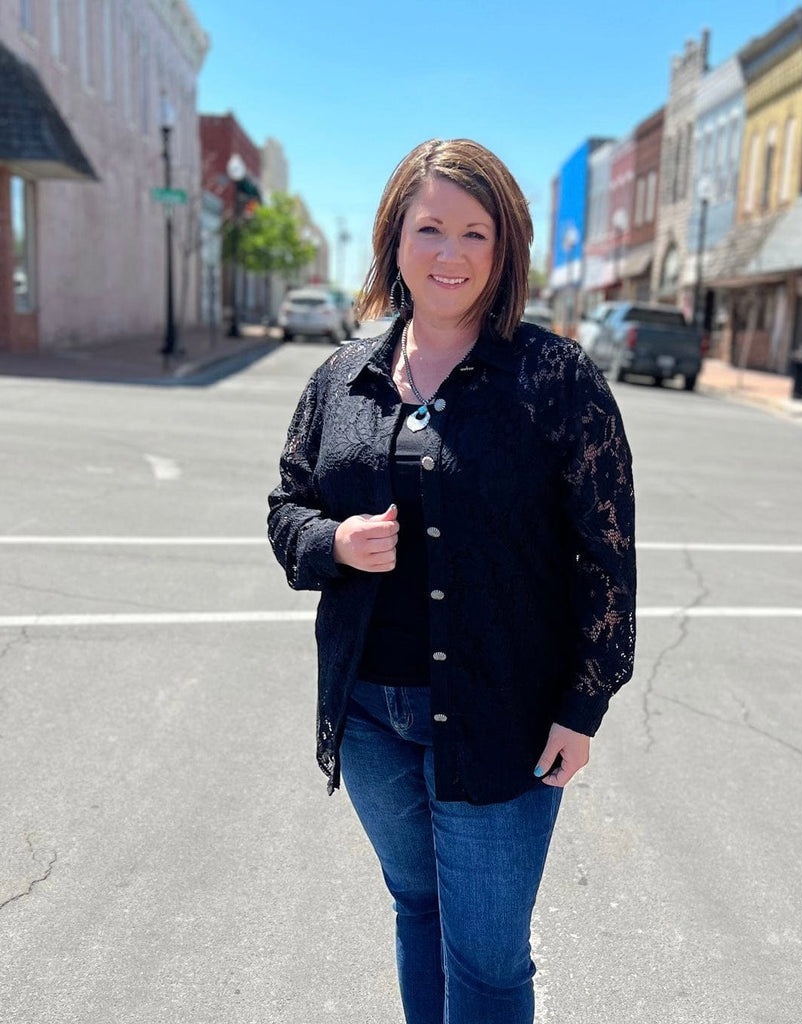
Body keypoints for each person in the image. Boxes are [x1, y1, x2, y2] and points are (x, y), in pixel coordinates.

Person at [268, 138, 636, 1024]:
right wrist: (331, 542)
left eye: (476, 233)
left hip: (500, 715)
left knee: (488, 959)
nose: (451, 253)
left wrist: (582, 706)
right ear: (394, 239)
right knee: (418, 908)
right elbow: (287, 507)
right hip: (369, 715)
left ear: (504, 251)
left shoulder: (555, 379)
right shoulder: (342, 380)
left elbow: (606, 557)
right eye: (429, 228)